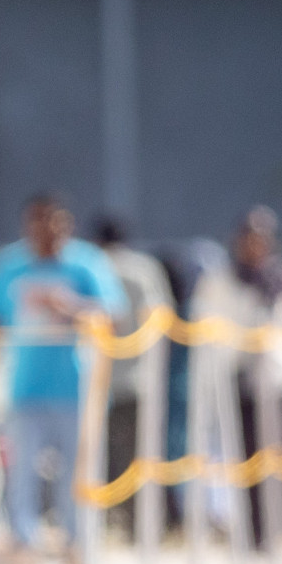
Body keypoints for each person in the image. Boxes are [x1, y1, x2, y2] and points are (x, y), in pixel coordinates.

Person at [0, 194, 128, 556]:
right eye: (38, 222)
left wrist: (72, 307)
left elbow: (115, 315)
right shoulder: (9, 266)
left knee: (77, 472)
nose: (47, 231)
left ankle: (77, 541)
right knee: (21, 473)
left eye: (54, 222)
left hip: (78, 387)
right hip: (25, 387)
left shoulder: (86, 264)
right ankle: (23, 542)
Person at [92, 215, 175, 537]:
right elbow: (163, 317)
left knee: (104, 456)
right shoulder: (143, 268)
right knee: (142, 454)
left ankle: (114, 521)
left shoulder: (94, 267)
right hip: (141, 378)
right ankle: (143, 525)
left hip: (100, 380)